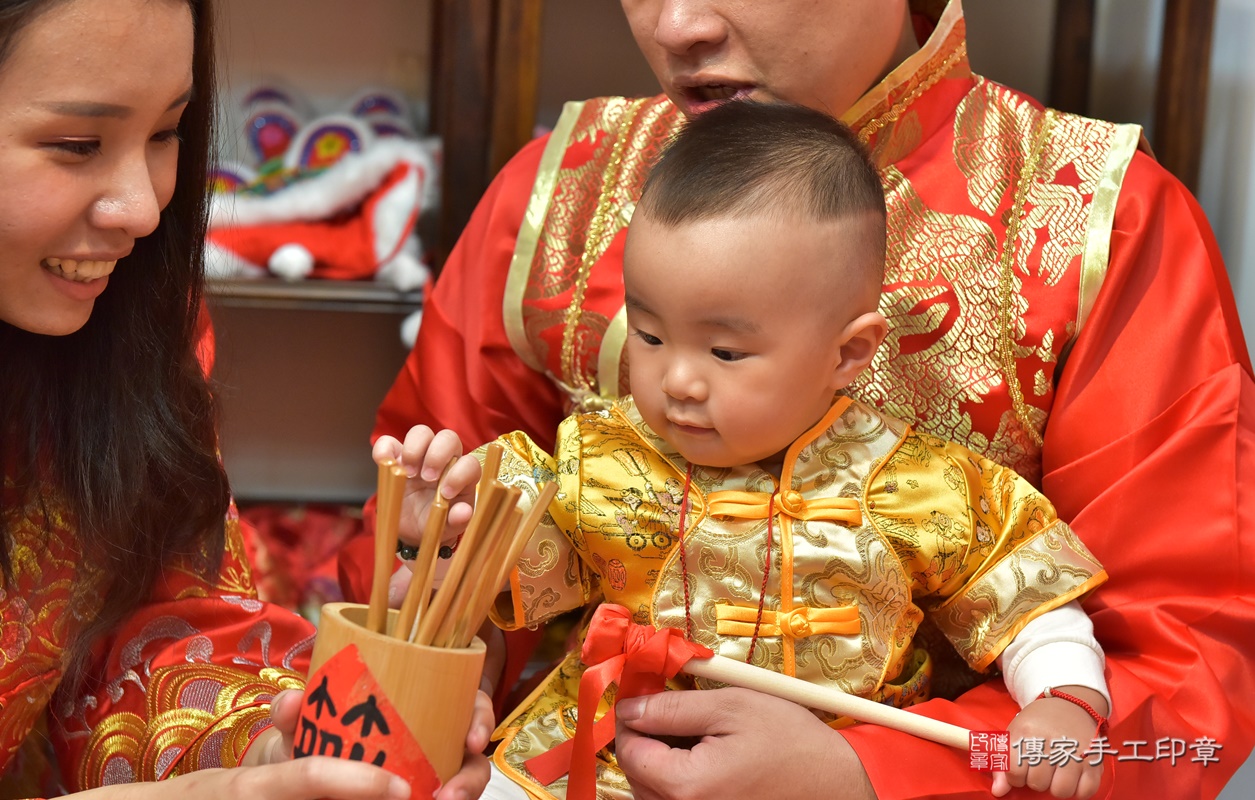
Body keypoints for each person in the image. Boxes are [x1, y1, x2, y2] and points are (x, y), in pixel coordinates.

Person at [359, 1, 1255, 798]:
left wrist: (868, 775)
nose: (677, 27)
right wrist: (450, 660)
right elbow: (430, 522)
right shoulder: (560, 190)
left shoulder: (1095, 220)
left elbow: (1184, 661)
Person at [0, 0, 492, 797]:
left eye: (166, 134)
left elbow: (152, 626)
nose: (143, 206)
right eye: (76, 144)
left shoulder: (131, 325)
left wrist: (274, 748)